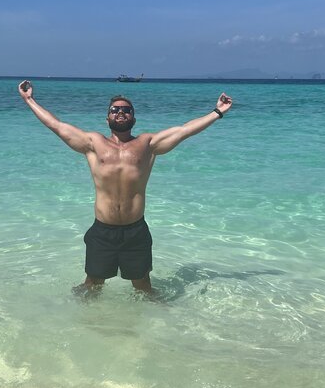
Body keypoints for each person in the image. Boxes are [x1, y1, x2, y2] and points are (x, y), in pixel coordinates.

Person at [18, 81, 233, 294]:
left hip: (135, 231)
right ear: (107, 118)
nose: (120, 113)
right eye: (115, 110)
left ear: (133, 118)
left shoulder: (148, 144)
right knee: (92, 285)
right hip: (103, 231)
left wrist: (217, 112)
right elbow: (56, 125)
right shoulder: (93, 143)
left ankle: (153, 317)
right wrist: (29, 100)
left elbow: (184, 130)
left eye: (126, 110)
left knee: (143, 287)